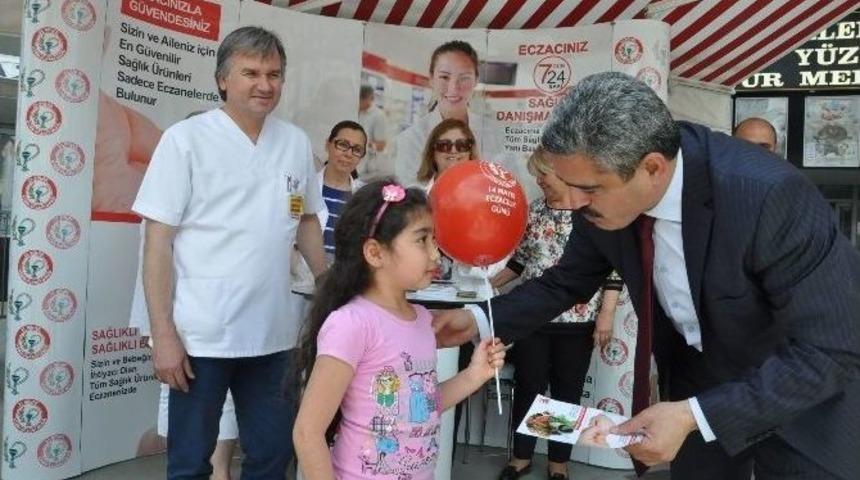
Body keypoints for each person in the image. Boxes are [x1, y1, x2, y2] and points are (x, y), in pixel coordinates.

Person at [433, 71, 860, 480]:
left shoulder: (768, 195)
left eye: (589, 190)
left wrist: (695, 415)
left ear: (652, 169)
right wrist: (478, 319)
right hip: (701, 382)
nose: (575, 202)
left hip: (802, 394)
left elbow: (830, 350)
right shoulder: (599, 193)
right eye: (568, 184)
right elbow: (567, 281)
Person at [134, 26, 327, 479]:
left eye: (275, 74)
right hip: (201, 334)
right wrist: (162, 334)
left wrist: (328, 284)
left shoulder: (294, 142)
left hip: (274, 334)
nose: (265, 85)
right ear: (223, 79)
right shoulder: (186, 140)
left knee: (271, 455)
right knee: (189, 463)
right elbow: (157, 241)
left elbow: (306, 221)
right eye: (251, 73)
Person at [292, 180, 506, 480]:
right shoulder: (352, 323)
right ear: (375, 253)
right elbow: (307, 431)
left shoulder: (421, 319)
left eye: (435, 240)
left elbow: (421, 407)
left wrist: (475, 375)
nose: (436, 255)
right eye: (422, 240)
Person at [491, 149, 622, 480]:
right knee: (529, 387)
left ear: (560, 174)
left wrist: (605, 315)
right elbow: (518, 263)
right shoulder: (535, 212)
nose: (538, 181)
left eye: (542, 174)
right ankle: (521, 457)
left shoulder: (592, 215)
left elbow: (612, 271)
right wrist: (488, 287)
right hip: (533, 321)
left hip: (578, 322)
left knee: (566, 392)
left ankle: (557, 463)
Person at [393, 41, 513, 187]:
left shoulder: (496, 134)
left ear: (476, 80)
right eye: (444, 77)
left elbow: (512, 184)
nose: (454, 87)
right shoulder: (411, 139)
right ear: (431, 79)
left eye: (464, 78)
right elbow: (410, 196)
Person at [357, 85, 389, 180]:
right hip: (353, 164)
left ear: (367, 99)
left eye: (360, 100)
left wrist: (363, 143)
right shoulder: (357, 112)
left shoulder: (378, 116)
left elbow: (381, 145)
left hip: (366, 169)